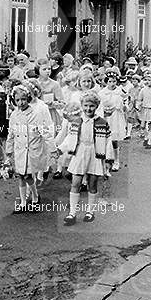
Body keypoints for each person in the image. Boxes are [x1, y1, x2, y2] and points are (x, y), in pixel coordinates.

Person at [56, 91, 114, 226]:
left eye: (92, 106)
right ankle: (72, 213)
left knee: (92, 184)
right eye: (86, 106)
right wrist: (60, 149)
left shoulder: (102, 123)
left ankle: (90, 211)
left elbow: (108, 141)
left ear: (96, 106)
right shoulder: (77, 121)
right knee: (75, 183)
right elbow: (70, 138)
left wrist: (108, 160)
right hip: (80, 153)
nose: (89, 109)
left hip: (95, 154)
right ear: (82, 106)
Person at [5, 85, 52, 214]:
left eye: (24, 99)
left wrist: (52, 148)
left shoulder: (35, 114)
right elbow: (11, 134)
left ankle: (35, 197)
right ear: (14, 100)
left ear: (28, 98)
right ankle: (23, 202)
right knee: (20, 176)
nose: (21, 102)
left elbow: (45, 132)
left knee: (28, 175)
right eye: (18, 100)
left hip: (32, 149)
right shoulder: (14, 115)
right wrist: (8, 150)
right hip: (20, 150)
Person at [98, 70, 127, 171]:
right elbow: (99, 105)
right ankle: (105, 160)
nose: (112, 84)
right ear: (106, 82)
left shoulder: (120, 92)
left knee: (114, 139)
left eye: (114, 81)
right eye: (110, 81)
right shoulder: (102, 93)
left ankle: (116, 160)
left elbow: (125, 103)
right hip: (105, 117)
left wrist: (122, 106)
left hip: (115, 117)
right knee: (104, 139)